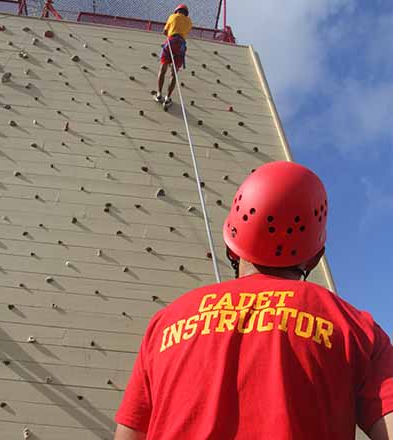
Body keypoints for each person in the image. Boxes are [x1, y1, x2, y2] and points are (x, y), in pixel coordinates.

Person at [114, 161, 393, 440]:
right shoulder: (356, 329)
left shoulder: (164, 325)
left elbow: (128, 436)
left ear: (230, 246)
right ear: (315, 256)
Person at [154, 4, 192, 110]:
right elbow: (184, 33)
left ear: (177, 11)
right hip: (181, 45)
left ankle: (159, 94)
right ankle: (168, 97)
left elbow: (165, 32)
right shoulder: (189, 22)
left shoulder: (172, 17)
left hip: (171, 42)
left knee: (163, 68)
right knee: (174, 73)